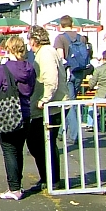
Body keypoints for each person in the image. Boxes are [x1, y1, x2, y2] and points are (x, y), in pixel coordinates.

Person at [0, 35, 36, 200]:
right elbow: (32, 89)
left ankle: (14, 188)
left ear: (9, 49)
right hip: (25, 113)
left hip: (7, 114)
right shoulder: (30, 68)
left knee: (9, 150)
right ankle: (17, 185)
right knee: (18, 150)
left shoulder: (4, 69)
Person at [26, 26, 66, 191]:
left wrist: (45, 99)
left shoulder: (46, 53)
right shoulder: (45, 52)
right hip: (48, 104)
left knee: (41, 143)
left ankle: (51, 179)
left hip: (50, 106)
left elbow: (51, 78)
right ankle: (48, 177)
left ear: (34, 40)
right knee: (40, 143)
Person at [53, 16, 91, 146]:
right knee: (71, 100)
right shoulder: (81, 38)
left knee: (69, 103)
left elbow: (61, 58)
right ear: (72, 24)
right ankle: (60, 131)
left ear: (61, 25)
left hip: (68, 73)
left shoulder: (60, 38)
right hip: (79, 73)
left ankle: (75, 134)